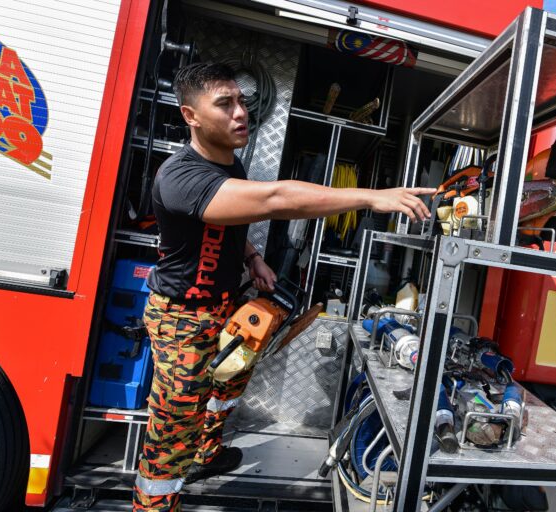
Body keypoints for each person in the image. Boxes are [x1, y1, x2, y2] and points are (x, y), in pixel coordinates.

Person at [133, 62, 434, 511]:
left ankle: (206, 456)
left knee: (224, 390)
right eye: (224, 104)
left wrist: (253, 258)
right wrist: (371, 196)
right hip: (183, 319)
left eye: (241, 101)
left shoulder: (228, 164)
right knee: (173, 431)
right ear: (190, 115)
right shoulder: (179, 177)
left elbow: (228, 222)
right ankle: (155, 502)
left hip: (224, 307)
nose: (241, 112)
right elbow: (274, 199)